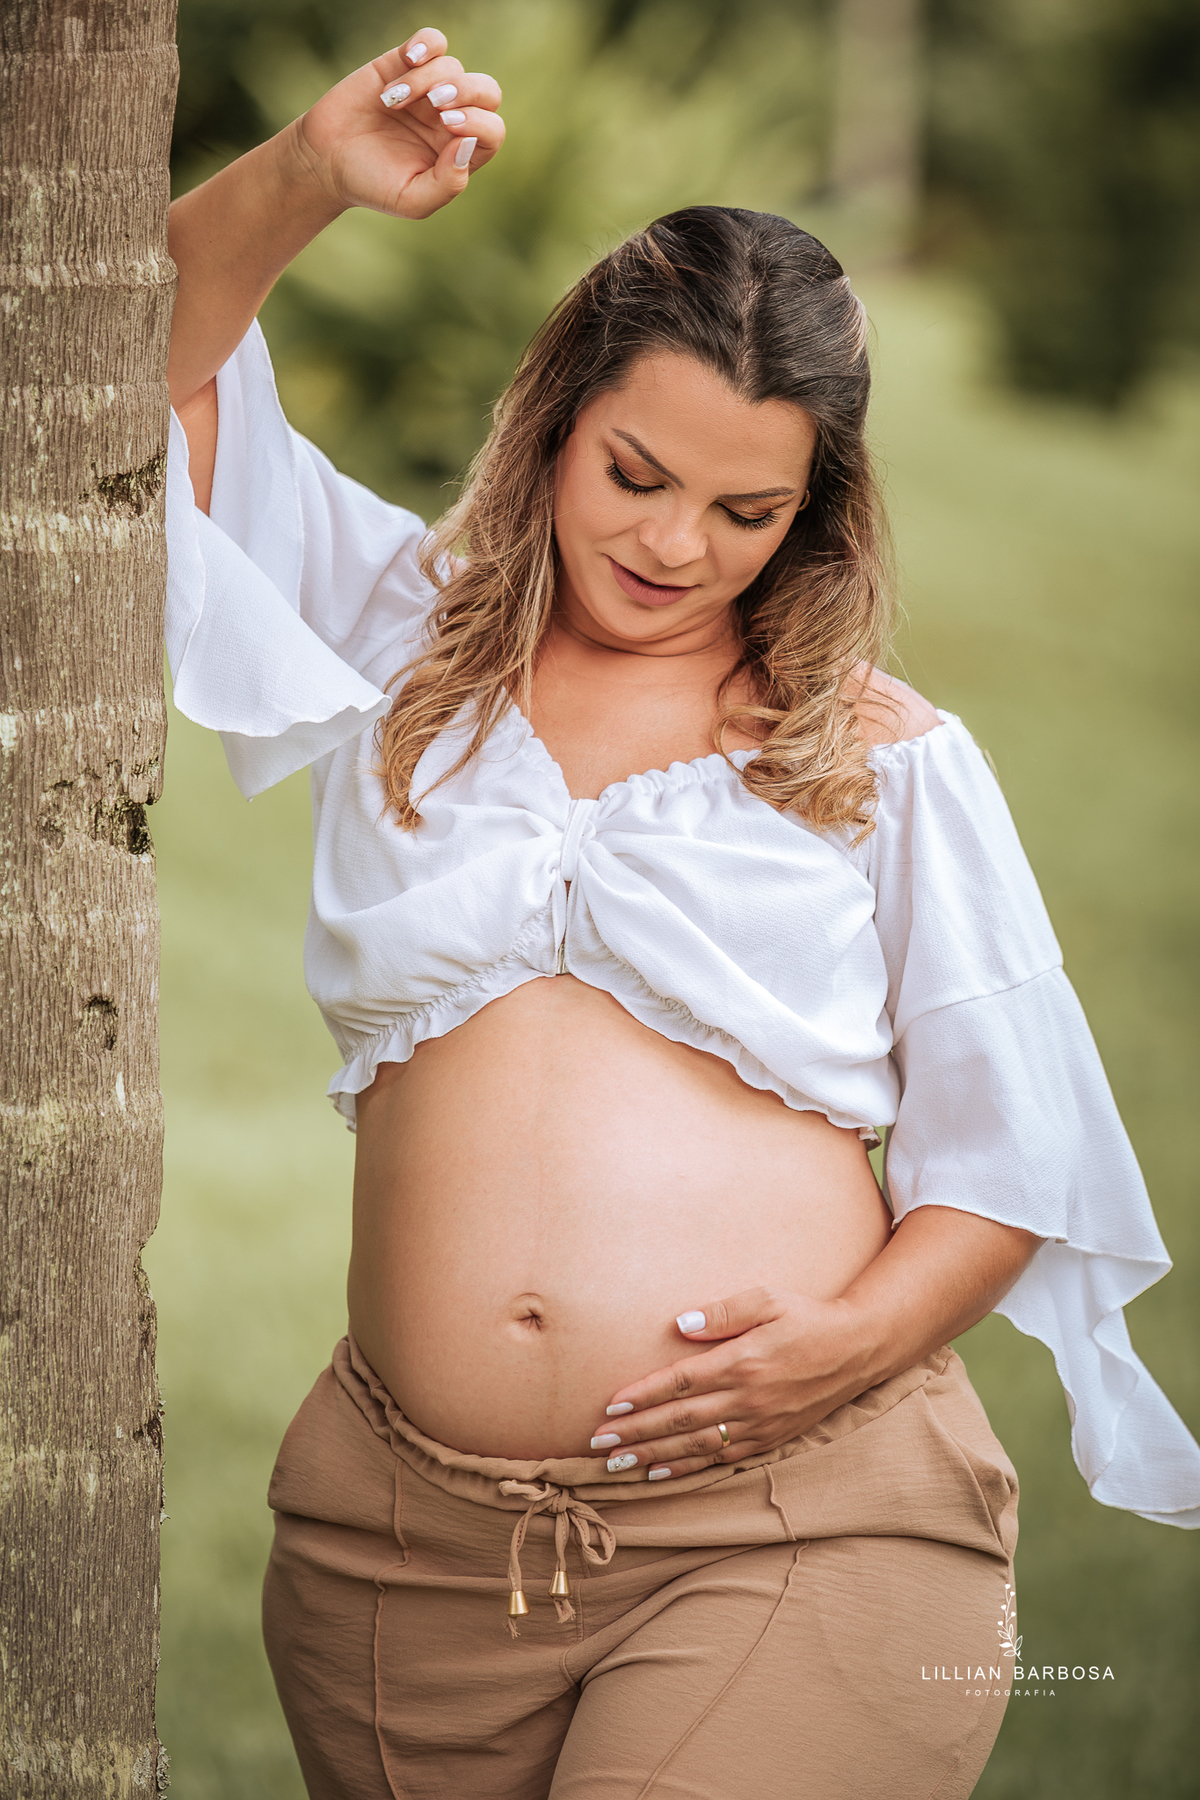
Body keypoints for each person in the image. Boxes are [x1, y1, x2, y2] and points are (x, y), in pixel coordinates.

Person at [164, 23, 1200, 1800]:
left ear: (814, 512)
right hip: (398, 1562)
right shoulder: (398, 632)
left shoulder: (872, 756)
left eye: (748, 510)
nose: (673, 546)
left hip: (792, 1528)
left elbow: (1014, 1162)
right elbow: (131, 366)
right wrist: (310, 171)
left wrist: (850, 1349)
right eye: (634, 476)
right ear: (558, 415)